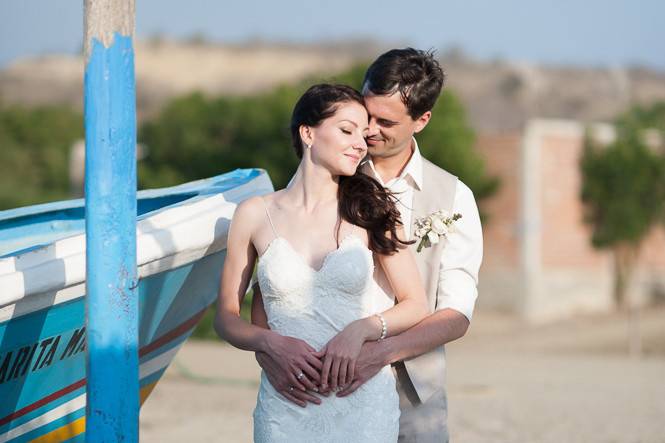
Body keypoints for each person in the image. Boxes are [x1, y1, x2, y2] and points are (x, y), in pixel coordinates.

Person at [252, 48, 483, 442]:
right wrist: (270, 357)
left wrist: (379, 352)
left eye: (385, 121)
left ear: (422, 120)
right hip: (317, 383)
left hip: (413, 390)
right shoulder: (327, 170)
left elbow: (456, 314)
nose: (369, 130)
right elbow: (272, 287)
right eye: (366, 113)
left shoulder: (453, 197)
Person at [214, 83, 430, 442]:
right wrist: (268, 344)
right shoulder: (254, 214)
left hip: (361, 400)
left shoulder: (373, 210)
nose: (360, 143)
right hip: (287, 400)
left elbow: (415, 304)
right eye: (347, 130)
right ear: (308, 132)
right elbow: (226, 317)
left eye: (363, 134)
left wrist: (360, 329)